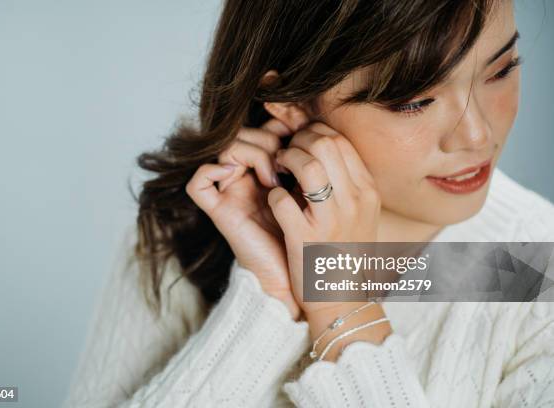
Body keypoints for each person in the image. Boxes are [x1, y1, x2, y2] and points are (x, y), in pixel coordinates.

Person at [63, 0, 554, 406]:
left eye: (502, 69)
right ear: (291, 103)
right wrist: (265, 300)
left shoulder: (536, 269)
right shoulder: (187, 230)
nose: (477, 134)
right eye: (414, 101)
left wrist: (343, 307)